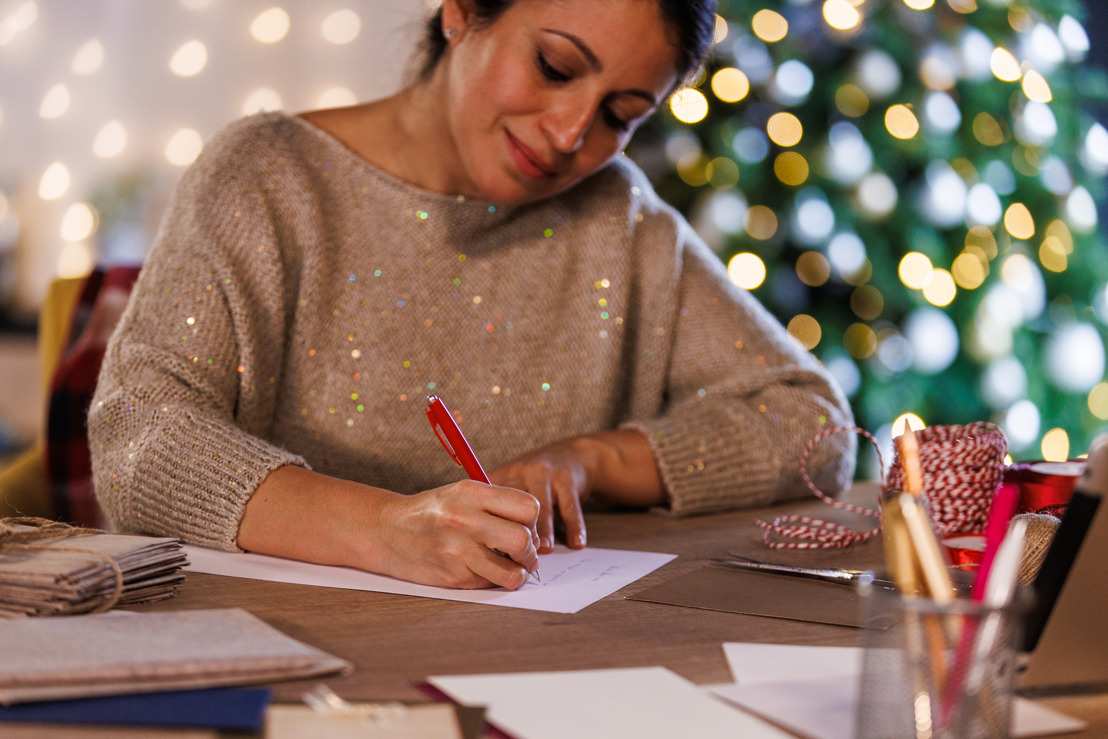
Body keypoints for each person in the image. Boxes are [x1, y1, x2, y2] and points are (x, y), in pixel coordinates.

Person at [89, 0, 856, 591]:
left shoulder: (616, 219)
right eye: (556, 66)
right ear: (461, 9)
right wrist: (389, 528)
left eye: (621, 115)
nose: (568, 134)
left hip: (527, 669)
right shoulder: (268, 178)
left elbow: (814, 426)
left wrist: (594, 460)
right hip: (284, 665)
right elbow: (139, 443)